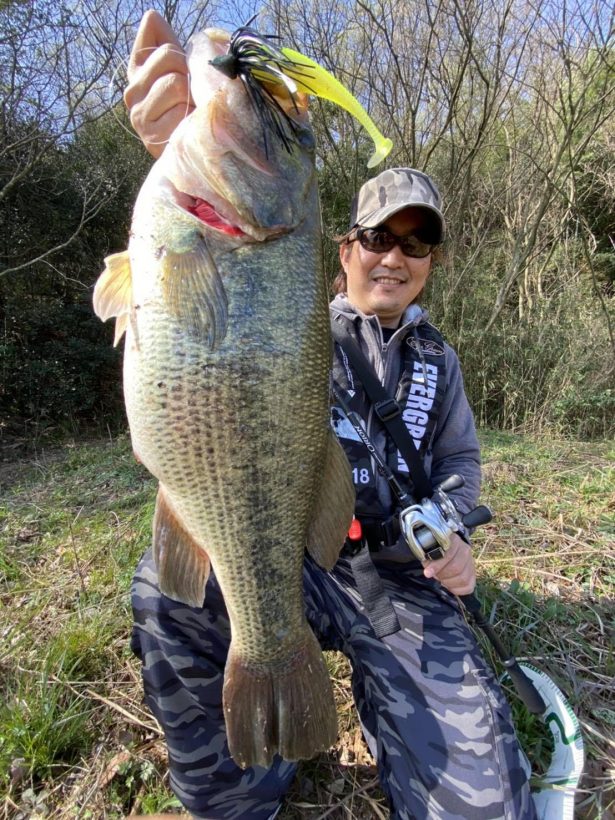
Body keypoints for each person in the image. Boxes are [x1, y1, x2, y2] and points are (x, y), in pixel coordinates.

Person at [124, 12, 536, 820]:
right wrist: (180, 145)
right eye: (377, 236)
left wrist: (452, 532)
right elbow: (202, 298)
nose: (393, 255)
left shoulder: (440, 362)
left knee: (482, 804)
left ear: (429, 267)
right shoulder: (294, 318)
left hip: (402, 585)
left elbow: (460, 465)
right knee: (167, 593)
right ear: (343, 248)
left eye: (415, 245)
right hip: (300, 564)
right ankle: (242, 791)